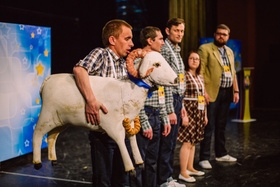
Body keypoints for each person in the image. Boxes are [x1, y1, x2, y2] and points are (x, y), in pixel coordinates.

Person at [73, 19, 134, 187]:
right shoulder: (101, 54)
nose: (132, 43)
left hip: (122, 131)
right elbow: (79, 69)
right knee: (104, 182)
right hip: (104, 133)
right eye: (127, 38)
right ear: (112, 40)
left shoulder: (123, 63)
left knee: (122, 181)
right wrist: (91, 100)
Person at [198, 24, 239, 169]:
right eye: (219, 33)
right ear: (214, 35)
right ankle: (204, 157)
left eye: (224, 34)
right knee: (208, 125)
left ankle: (221, 154)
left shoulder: (229, 51)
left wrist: (236, 91)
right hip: (211, 92)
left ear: (228, 36)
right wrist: (203, 92)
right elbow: (200, 72)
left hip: (226, 92)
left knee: (221, 125)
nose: (221, 36)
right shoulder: (205, 49)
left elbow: (233, 72)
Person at [133, 26, 171, 187]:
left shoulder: (158, 60)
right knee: (139, 160)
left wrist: (164, 117)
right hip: (145, 115)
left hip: (156, 115)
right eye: (160, 39)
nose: (163, 42)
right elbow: (135, 96)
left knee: (152, 161)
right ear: (150, 41)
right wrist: (144, 121)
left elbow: (160, 91)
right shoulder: (138, 61)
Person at [158, 18, 186, 187]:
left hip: (177, 98)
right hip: (170, 99)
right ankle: (164, 179)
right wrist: (169, 109)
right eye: (177, 30)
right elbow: (165, 81)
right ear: (167, 31)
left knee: (171, 142)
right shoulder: (165, 50)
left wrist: (181, 104)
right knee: (167, 142)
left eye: (182, 31)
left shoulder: (176, 50)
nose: (180, 34)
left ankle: (167, 177)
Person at [177, 51, 208, 183]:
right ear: (187, 60)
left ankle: (190, 167)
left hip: (199, 110)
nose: (194, 61)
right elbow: (180, 95)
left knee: (194, 141)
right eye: (192, 58)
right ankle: (183, 172)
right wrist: (183, 113)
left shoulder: (200, 76)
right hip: (188, 109)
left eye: (197, 59)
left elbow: (203, 97)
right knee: (187, 141)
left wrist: (205, 115)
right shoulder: (183, 75)